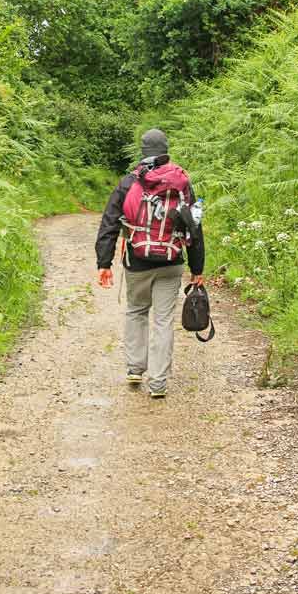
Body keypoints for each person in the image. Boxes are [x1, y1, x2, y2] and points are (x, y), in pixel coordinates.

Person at [95, 129, 205, 399]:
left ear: (142, 151)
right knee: (163, 321)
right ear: (166, 149)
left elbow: (109, 222)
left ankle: (135, 369)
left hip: (137, 260)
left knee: (136, 311)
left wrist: (104, 262)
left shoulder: (129, 181)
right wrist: (197, 268)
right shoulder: (182, 183)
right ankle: (158, 384)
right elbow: (195, 226)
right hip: (172, 261)